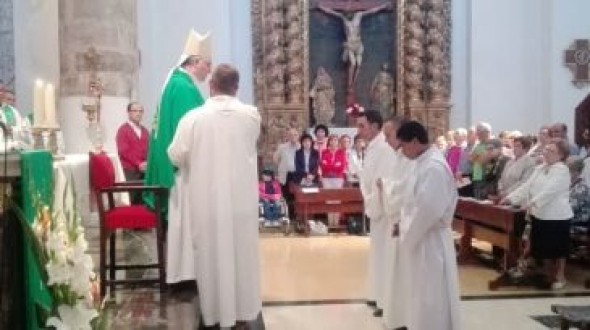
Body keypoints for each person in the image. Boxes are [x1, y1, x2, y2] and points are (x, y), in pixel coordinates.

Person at [166, 64, 262, 328]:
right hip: (241, 205)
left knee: (210, 257)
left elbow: (175, 154)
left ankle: (215, 316)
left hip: (206, 204)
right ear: (237, 87)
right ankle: (243, 314)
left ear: (210, 86)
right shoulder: (252, 116)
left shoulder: (193, 119)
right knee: (241, 256)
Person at [394, 120, 461, 330]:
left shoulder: (434, 168)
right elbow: (412, 201)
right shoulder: (422, 162)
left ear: (415, 141)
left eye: (403, 145)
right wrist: (402, 222)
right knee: (420, 292)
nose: (402, 152)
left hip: (430, 240)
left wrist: (406, 233)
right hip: (422, 236)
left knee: (431, 294)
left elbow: (428, 210)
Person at [143, 29, 212, 215]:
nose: (210, 70)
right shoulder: (183, 87)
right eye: (208, 64)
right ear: (196, 61)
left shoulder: (177, 82)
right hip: (180, 174)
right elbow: (190, 133)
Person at [501, 139, 573, 290]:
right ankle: (549, 275)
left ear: (561, 155)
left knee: (558, 249)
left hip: (557, 215)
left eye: (551, 150)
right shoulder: (539, 168)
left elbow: (550, 191)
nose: (546, 152)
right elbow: (527, 186)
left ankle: (560, 276)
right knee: (543, 248)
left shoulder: (562, 170)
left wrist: (531, 202)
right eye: (546, 149)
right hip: (539, 214)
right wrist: (510, 198)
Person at [356, 110, 397, 317]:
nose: (359, 130)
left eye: (362, 126)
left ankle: (385, 300)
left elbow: (384, 179)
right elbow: (369, 178)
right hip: (375, 205)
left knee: (384, 255)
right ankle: (376, 294)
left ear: (374, 126)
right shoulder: (373, 147)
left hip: (383, 209)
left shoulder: (384, 148)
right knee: (377, 254)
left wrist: (374, 201)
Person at [317, 3, 390, 88]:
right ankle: (349, 83)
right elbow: (331, 12)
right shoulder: (343, 18)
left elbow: (371, 11)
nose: (348, 16)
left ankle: (353, 83)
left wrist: (382, 7)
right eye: (346, 14)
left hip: (358, 43)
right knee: (352, 63)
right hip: (349, 44)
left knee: (359, 64)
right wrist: (321, 7)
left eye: (349, 14)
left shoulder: (359, 16)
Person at [115, 102, 150, 203]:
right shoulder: (123, 130)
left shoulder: (145, 131)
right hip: (130, 171)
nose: (138, 114)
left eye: (140, 111)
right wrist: (138, 163)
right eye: (135, 111)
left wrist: (147, 163)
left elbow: (149, 149)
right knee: (133, 198)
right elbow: (123, 150)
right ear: (129, 113)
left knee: (144, 199)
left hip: (145, 170)